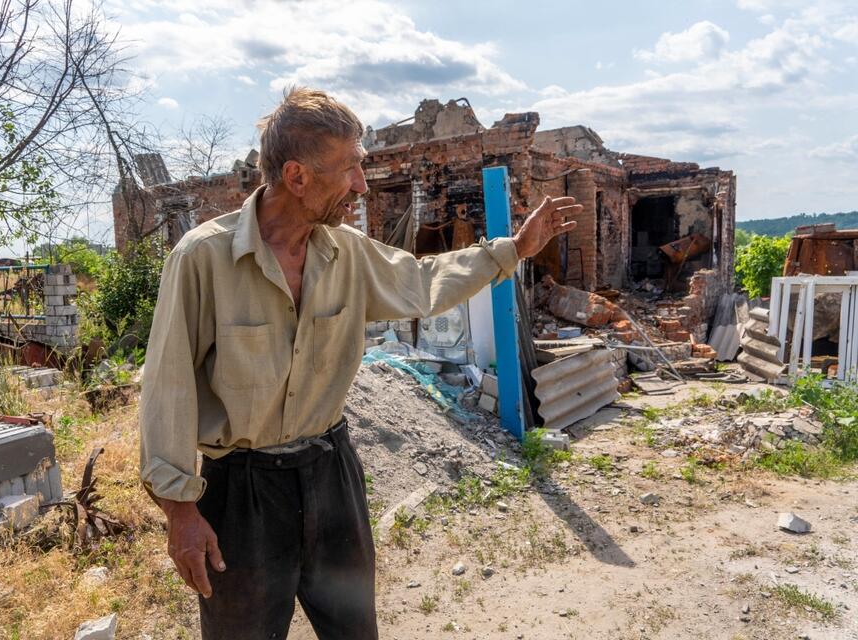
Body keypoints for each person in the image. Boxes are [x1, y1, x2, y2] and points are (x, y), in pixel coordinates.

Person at [139, 87, 581, 640]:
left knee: (354, 631)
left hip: (330, 475)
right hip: (242, 494)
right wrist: (180, 511)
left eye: (363, 166)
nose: (362, 186)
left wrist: (512, 249)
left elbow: (422, 283)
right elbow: (167, 388)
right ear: (296, 176)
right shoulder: (202, 258)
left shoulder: (346, 251)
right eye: (349, 169)